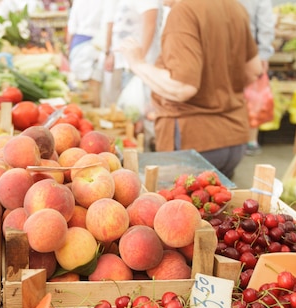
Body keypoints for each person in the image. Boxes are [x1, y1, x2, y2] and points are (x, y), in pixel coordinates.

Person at [119, 0, 262, 179]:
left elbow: (182, 87)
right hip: (234, 138)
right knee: (219, 204)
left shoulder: (184, 11)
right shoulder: (235, 7)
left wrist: (137, 63)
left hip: (194, 141)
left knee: (184, 204)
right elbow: (253, 70)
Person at [100, 0, 163, 108]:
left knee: (137, 112)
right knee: (127, 110)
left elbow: (150, 24)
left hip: (139, 66)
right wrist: (112, 54)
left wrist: (139, 61)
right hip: (126, 63)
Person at [238, 0, 275, 156]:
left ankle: (235, 140)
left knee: (235, 96)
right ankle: (250, 141)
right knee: (252, 98)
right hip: (251, 53)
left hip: (227, 50)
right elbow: (266, 26)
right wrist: (263, 54)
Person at [65, 0, 105, 106]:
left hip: (80, 44)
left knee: (80, 88)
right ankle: (96, 116)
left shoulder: (79, 2)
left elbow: (72, 27)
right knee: (95, 86)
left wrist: (68, 48)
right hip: (100, 44)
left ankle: (85, 117)